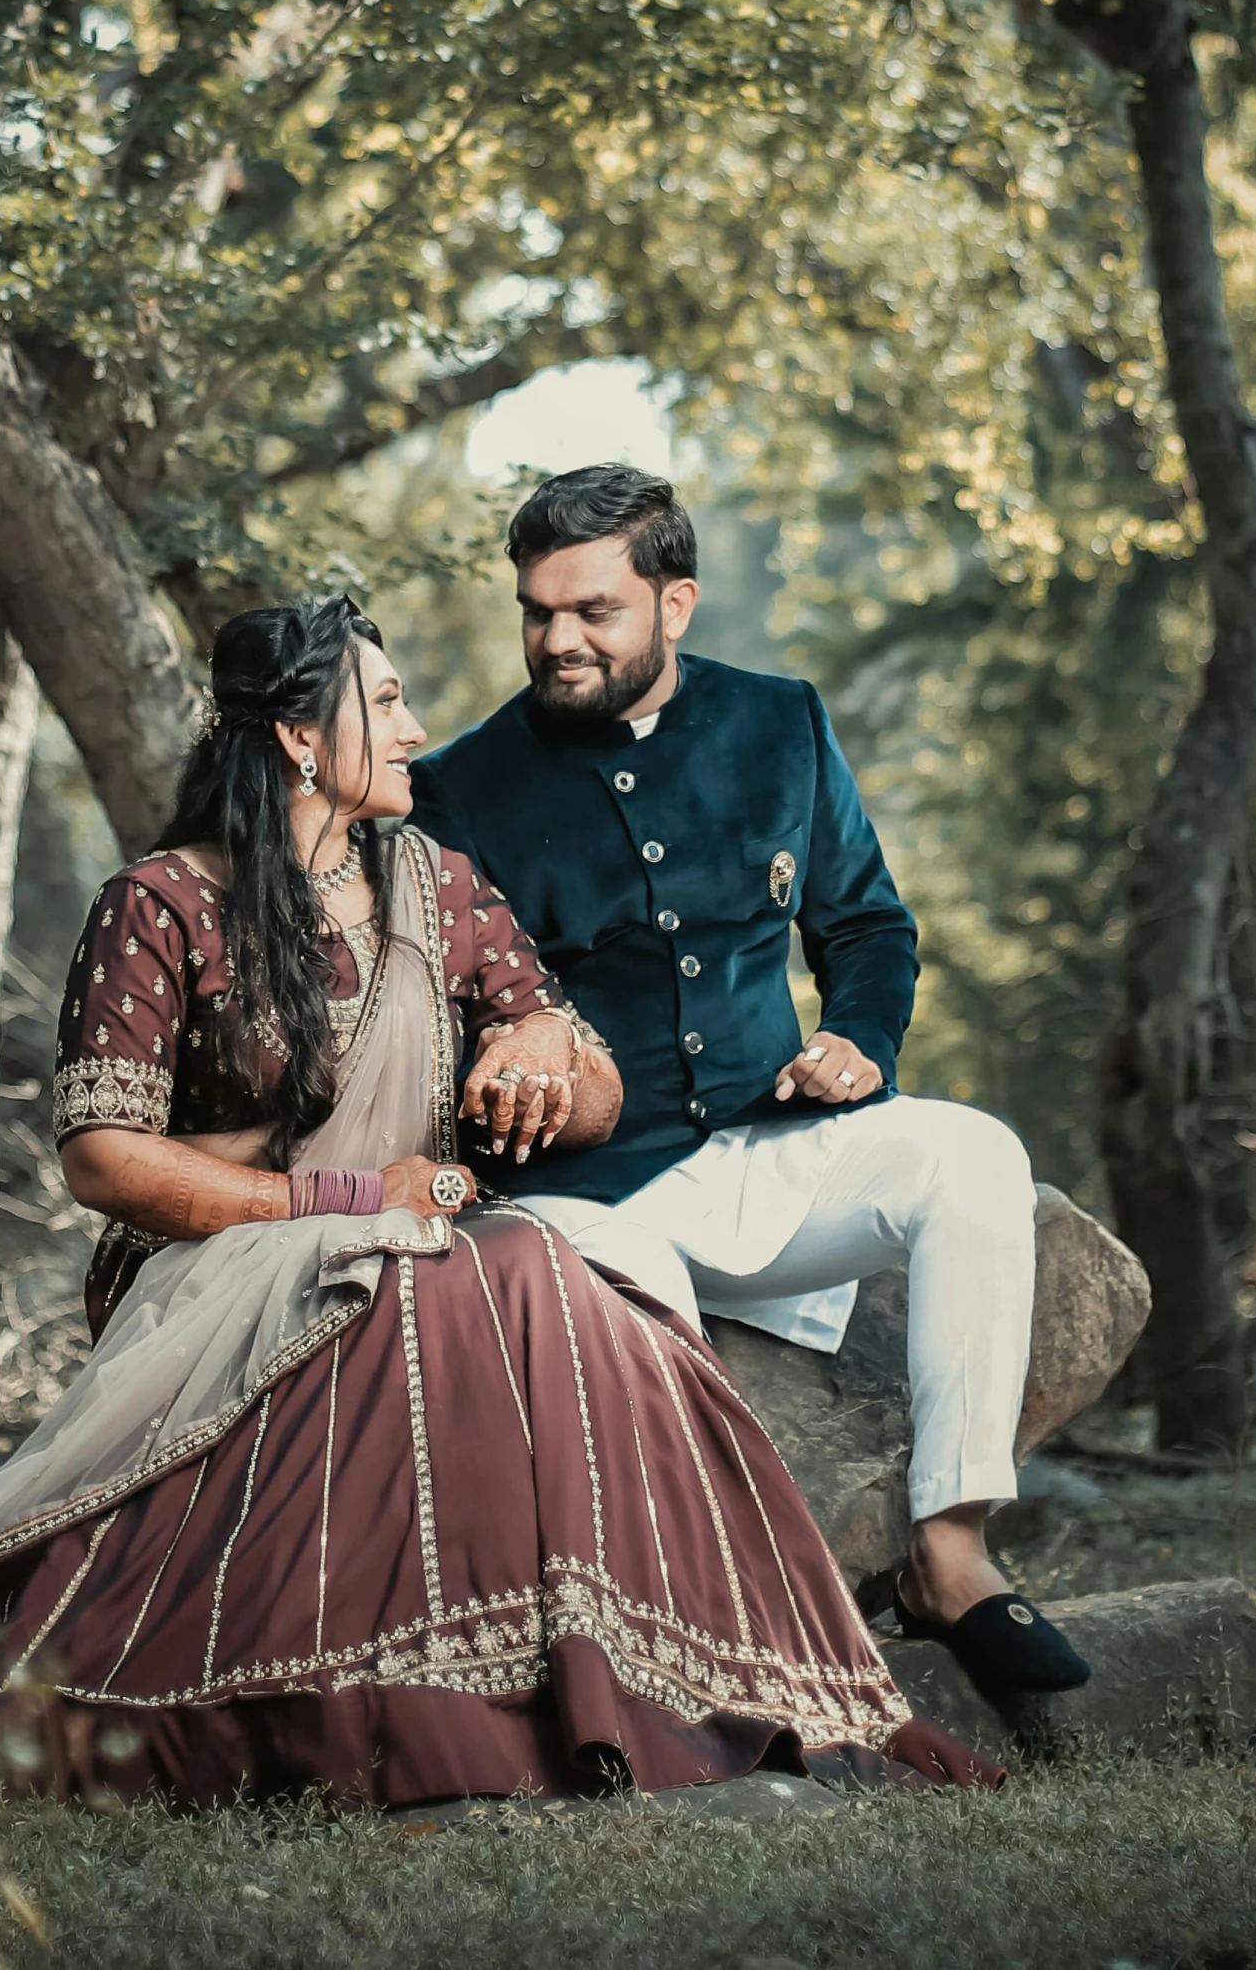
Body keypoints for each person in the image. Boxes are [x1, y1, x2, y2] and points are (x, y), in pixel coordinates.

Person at [0, 596, 1000, 1808]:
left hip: (420, 1245)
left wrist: (540, 1055)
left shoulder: (437, 886)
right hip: (220, 1271)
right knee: (490, 1266)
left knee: (560, 1274)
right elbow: (104, 1160)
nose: (413, 730)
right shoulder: (162, 904)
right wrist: (355, 1194)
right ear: (301, 735)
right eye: (388, 701)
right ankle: (406, 1691)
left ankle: (676, 1667)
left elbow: (597, 1091)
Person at [408, 466, 1090, 1700]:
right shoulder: (459, 786)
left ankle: (950, 1552)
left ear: (677, 602)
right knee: (644, 1324)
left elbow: (869, 926)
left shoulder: (783, 720)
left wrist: (862, 1043)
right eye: (536, 610)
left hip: (776, 1147)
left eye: (593, 611)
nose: (556, 638)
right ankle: (716, 1628)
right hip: (584, 1191)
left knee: (975, 1152)